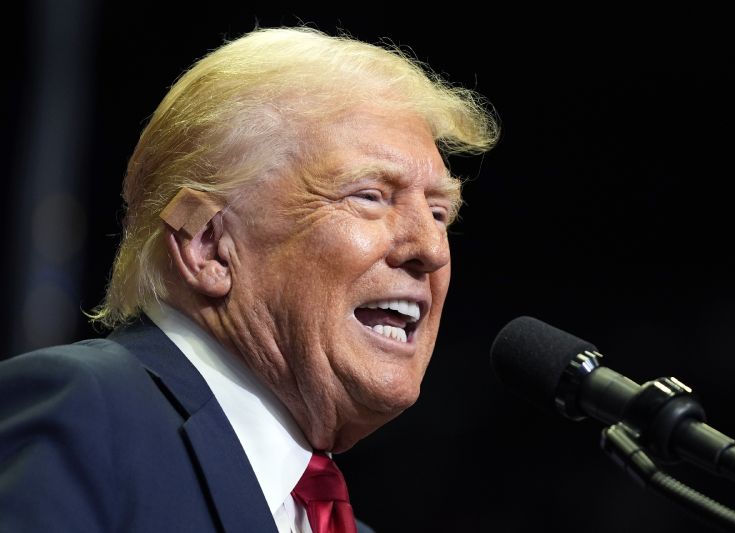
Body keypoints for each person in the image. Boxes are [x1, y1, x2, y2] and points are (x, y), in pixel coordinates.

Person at [0, 25, 498, 532]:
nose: (432, 250)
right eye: (369, 196)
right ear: (210, 246)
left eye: (440, 213)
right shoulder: (85, 413)